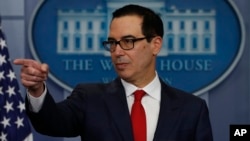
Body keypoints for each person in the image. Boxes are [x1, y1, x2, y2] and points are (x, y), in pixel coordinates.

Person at [14, 4, 213, 141]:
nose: (117, 51)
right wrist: (37, 90)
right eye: (112, 43)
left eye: (128, 41)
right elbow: (51, 122)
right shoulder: (89, 99)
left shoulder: (192, 109)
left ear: (155, 45)